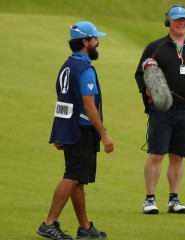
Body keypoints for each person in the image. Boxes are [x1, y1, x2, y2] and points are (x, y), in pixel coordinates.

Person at [37, 21, 114, 240]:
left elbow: (64, 101)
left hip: (69, 129)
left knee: (78, 179)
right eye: (95, 39)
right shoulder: (85, 69)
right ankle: (49, 223)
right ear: (85, 42)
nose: (98, 43)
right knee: (72, 176)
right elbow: (89, 107)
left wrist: (60, 132)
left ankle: (85, 228)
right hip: (82, 131)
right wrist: (104, 134)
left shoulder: (67, 65)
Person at [134, 5, 185, 214]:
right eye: (176, 19)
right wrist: (148, 91)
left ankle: (174, 199)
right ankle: (150, 199)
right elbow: (140, 74)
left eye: (184, 20)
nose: (181, 23)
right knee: (156, 155)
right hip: (161, 110)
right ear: (168, 21)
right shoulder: (156, 47)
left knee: (177, 157)